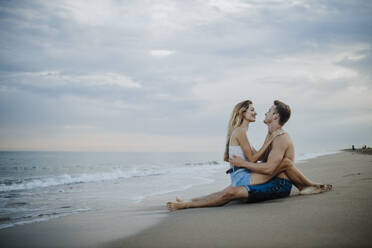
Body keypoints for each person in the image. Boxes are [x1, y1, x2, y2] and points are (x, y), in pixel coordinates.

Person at [166, 100, 331, 211]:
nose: (260, 113)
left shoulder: (279, 137)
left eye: (268, 111)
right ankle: (189, 201)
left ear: (275, 116)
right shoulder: (246, 132)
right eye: (253, 110)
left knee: (232, 192)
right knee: (227, 192)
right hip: (254, 177)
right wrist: (268, 138)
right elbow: (259, 159)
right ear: (243, 113)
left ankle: (309, 185)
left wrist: (244, 163)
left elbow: (266, 165)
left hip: (267, 180)